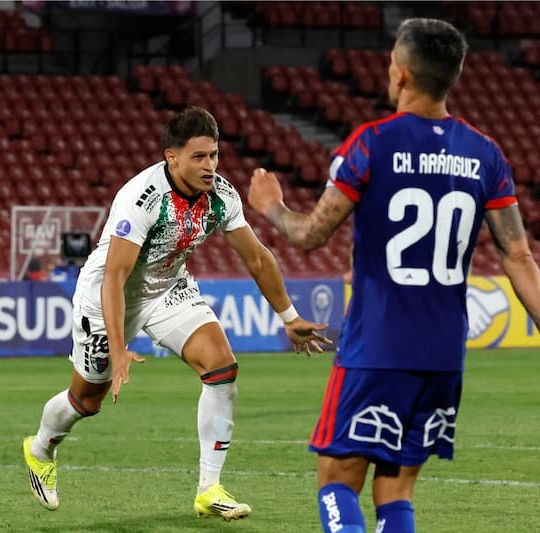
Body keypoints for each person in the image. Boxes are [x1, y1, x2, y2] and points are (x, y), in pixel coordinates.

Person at [248, 18, 540, 533]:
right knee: (395, 489)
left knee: (337, 479)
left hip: (377, 346)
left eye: (393, 59)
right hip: (443, 354)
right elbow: (518, 254)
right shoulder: (484, 154)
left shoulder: (372, 143)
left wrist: (272, 206)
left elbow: (309, 235)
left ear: (403, 74)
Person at [23, 106, 331, 520]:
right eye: (199, 157)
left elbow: (257, 257)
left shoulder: (221, 195)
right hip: (107, 298)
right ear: (172, 157)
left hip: (167, 289)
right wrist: (118, 348)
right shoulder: (142, 198)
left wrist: (289, 317)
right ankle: (40, 448)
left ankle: (209, 489)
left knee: (221, 367)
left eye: (214, 155)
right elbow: (115, 276)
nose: (210, 166)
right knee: (86, 400)